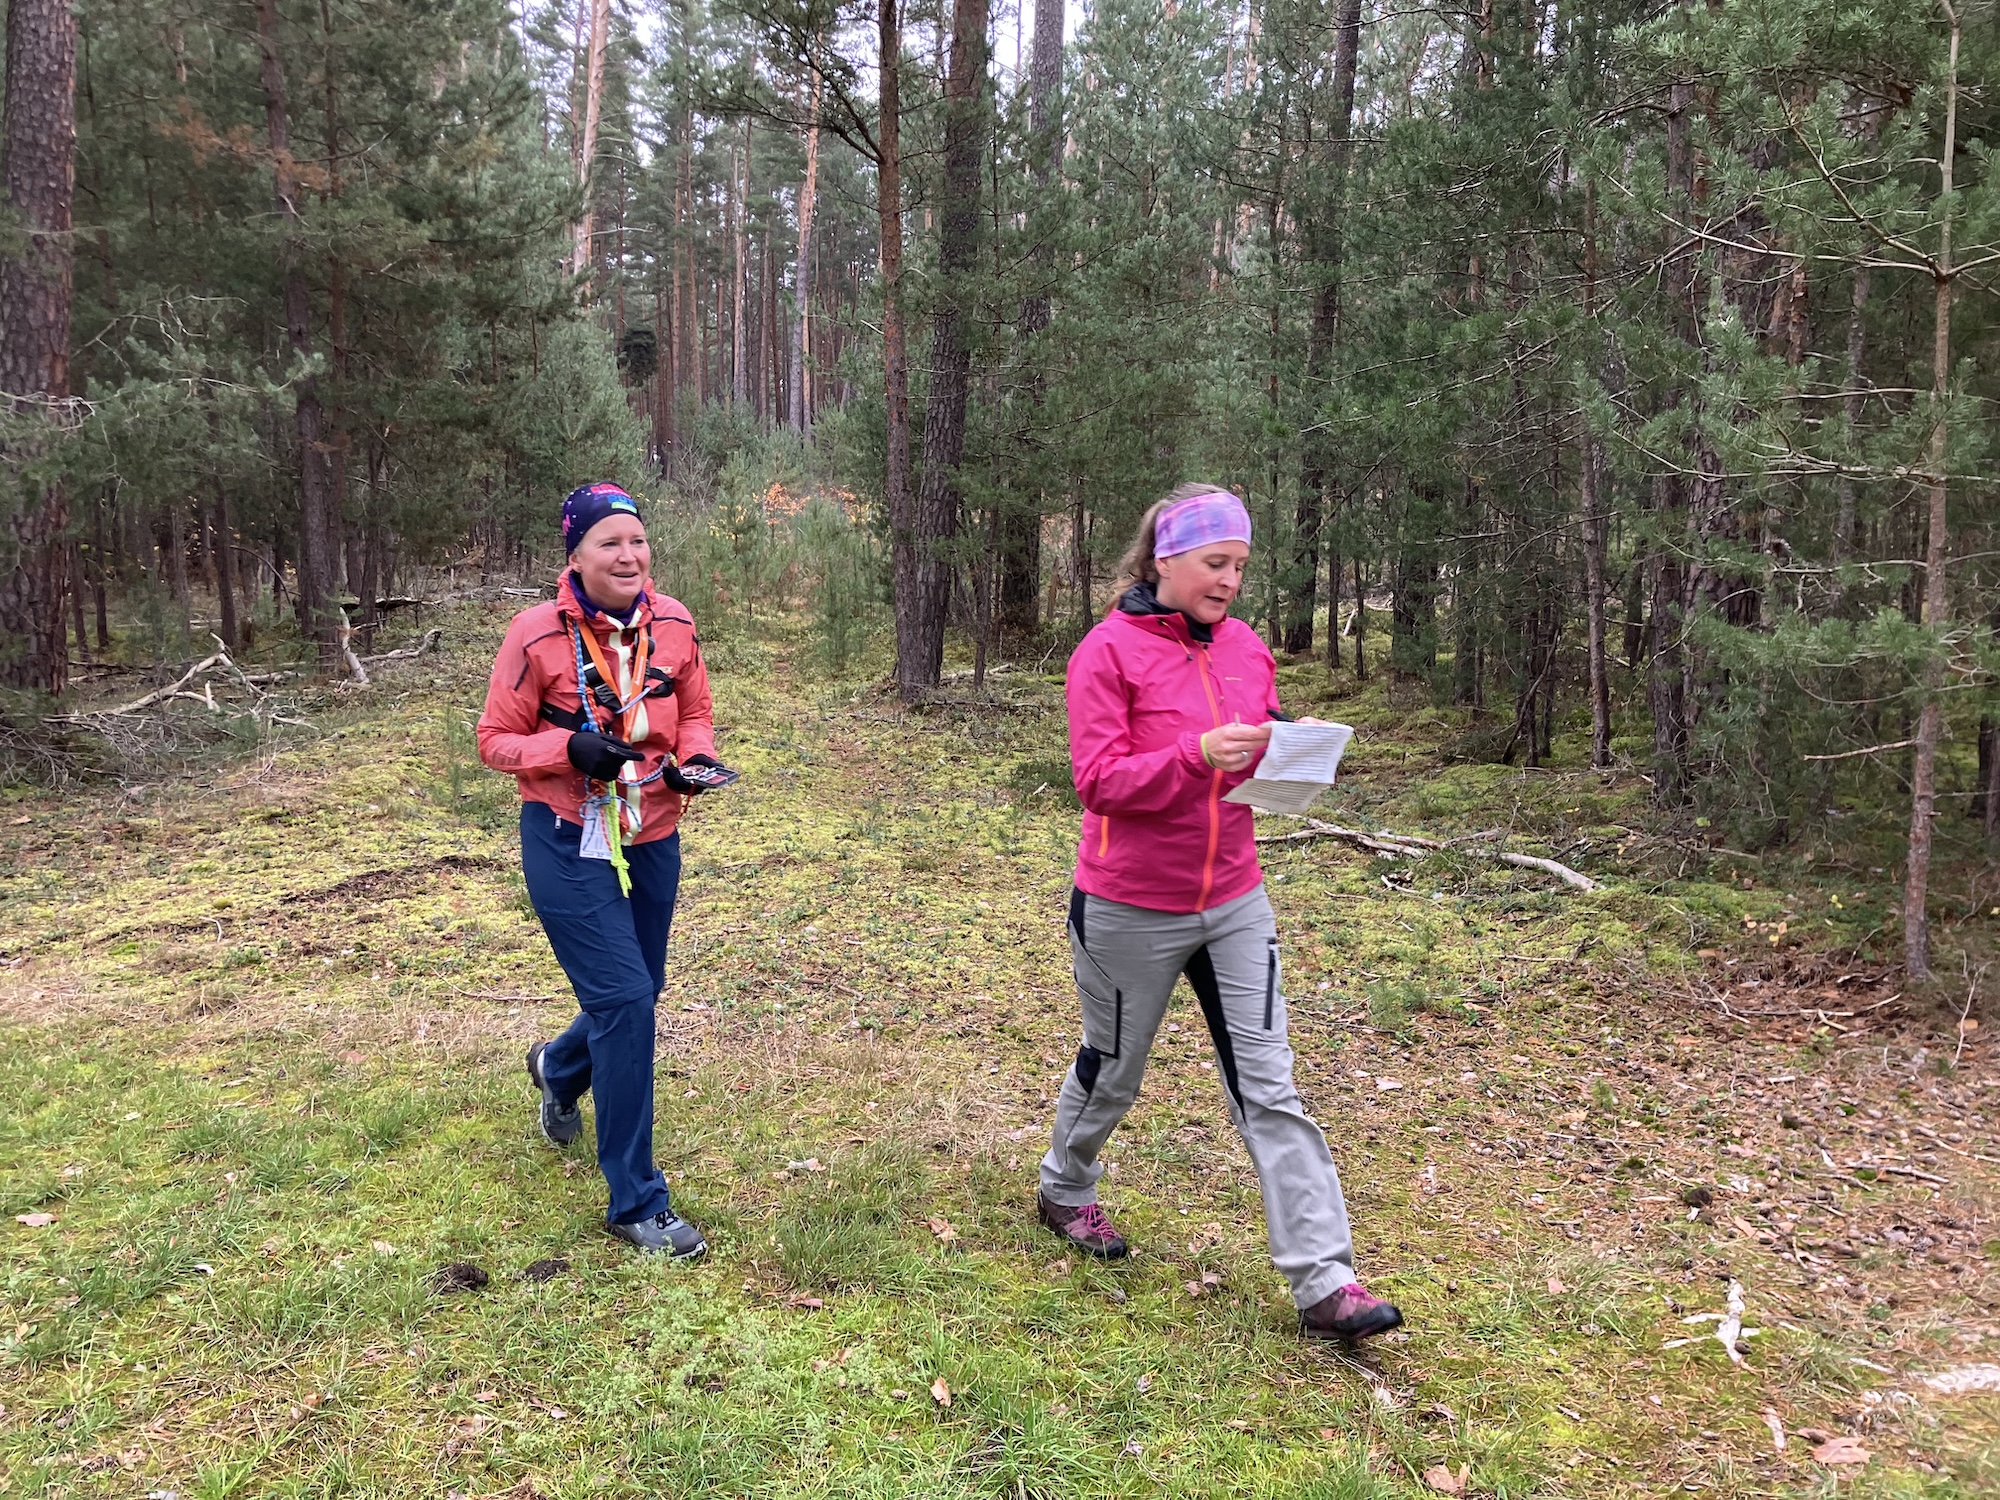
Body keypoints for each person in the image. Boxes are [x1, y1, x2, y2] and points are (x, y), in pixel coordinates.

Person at [1036, 483, 1403, 1342]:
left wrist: (1289, 744)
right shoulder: (1106, 652)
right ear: (1164, 559)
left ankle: (1325, 1283)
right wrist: (1191, 754)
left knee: (1270, 1086)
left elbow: (1259, 736)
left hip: (1235, 896)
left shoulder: (1245, 648)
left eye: (1240, 564)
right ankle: (1065, 1186)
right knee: (1115, 1068)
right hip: (1129, 905)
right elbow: (1099, 783)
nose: (1231, 580)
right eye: (1214, 563)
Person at [476, 482, 731, 1258]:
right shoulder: (534, 635)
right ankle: (635, 1201)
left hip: (651, 829)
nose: (629, 555)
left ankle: (557, 1066)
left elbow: (693, 713)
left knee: (638, 993)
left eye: (638, 541)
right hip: (565, 836)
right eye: (609, 543)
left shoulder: (676, 623)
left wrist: (695, 762)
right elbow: (493, 740)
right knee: (624, 999)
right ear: (576, 555)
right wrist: (567, 749)